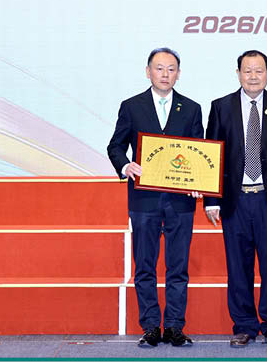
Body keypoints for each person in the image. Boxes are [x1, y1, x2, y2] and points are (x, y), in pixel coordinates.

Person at [204, 50, 267, 348]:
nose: (253, 76)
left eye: (259, 70)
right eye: (247, 71)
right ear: (238, 74)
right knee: (238, 266)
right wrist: (211, 200)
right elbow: (212, 155)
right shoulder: (220, 106)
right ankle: (244, 325)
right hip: (235, 200)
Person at [107, 47, 204, 348]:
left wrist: (199, 181)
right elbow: (115, 146)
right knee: (145, 265)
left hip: (180, 200)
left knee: (178, 266)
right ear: (148, 71)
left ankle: (174, 326)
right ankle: (150, 326)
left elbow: (199, 151)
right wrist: (125, 165)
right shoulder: (131, 106)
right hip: (144, 199)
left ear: (179, 73)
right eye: (159, 68)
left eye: (171, 69)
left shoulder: (192, 108)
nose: (165, 74)